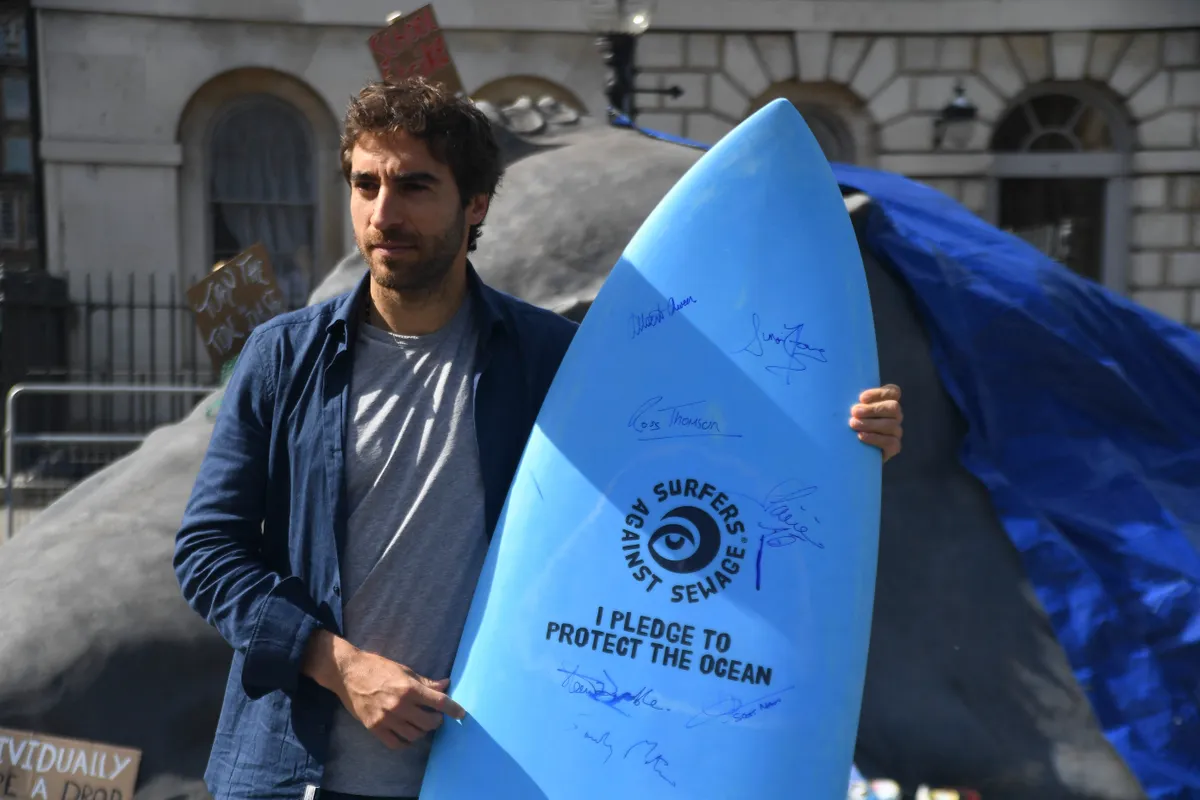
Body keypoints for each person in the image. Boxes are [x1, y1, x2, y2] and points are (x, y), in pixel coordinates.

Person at [173, 76, 905, 800]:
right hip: (293, 771)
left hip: (487, 772)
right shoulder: (284, 357)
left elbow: (700, 450)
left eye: (415, 186)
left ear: (476, 204)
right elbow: (208, 551)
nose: (383, 213)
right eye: (367, 185)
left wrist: (844, 436)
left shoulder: (553, 360)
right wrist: (340, 666)